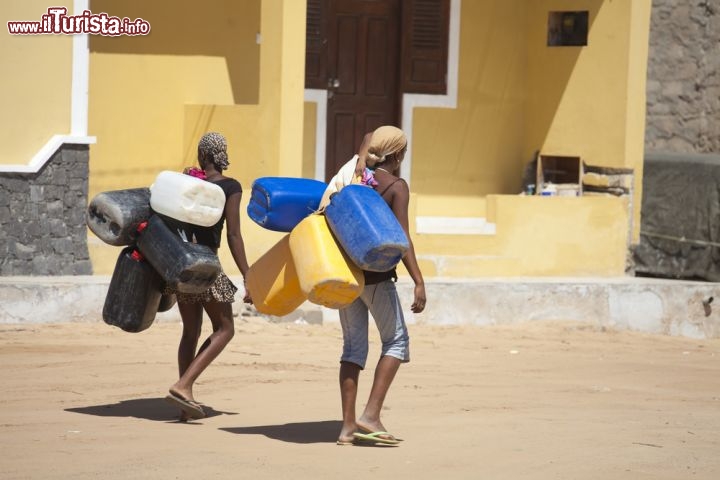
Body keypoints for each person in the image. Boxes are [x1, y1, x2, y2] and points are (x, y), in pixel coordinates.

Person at [328, 125, 427, 445]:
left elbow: (367, 135)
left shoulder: (352, 175)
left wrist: (365, 153)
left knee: (353, 349)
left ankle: (346, 428)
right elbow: (403, 238)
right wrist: (418, 280)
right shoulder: (396, 186)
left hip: (346, 276)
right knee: (396, 342)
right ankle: (370, 414)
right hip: (377, 278)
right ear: (397, 155)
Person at [164, 132, 252, 421]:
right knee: (225, 329)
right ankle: (184, 385)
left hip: (179, 263)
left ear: (203, 157)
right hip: (208, 265)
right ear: (221, 155)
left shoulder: (190, 185)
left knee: (190, 331)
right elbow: (234, 234)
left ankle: (184, 406)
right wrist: (248, 274)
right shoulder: (230, 186)